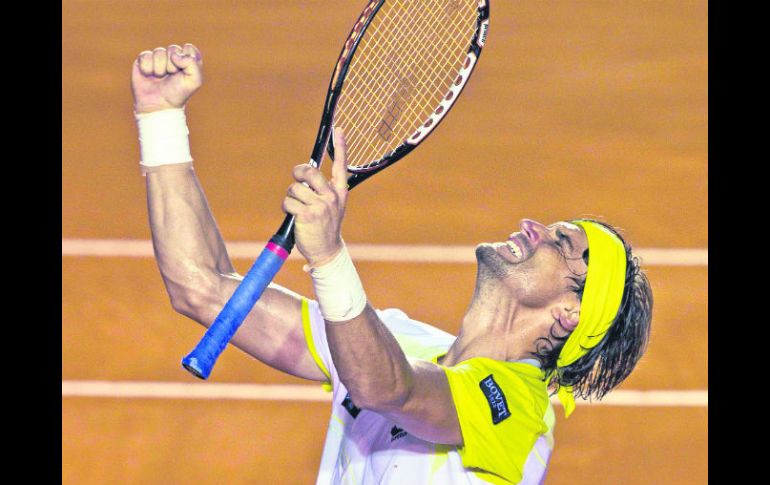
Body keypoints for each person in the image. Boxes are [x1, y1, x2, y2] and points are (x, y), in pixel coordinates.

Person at [131, 44, 653, 485]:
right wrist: (160, 117)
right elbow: (199, 286)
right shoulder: (393, 340)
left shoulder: (520, 409)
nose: (534, 227)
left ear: (568, 313)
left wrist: (330, 257)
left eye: (561, 244)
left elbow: (388, 389)